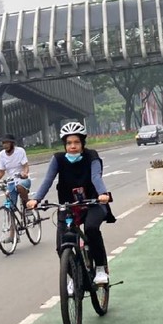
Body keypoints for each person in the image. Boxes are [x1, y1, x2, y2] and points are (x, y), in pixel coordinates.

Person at [26, 122, 116, 285]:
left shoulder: (91, 156)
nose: (72, 146)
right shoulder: (58, 159)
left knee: (91, 229)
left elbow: (96, 177)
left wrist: (103, 194)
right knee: (62, 245)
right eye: (69, 143)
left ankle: (101, 268)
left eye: (76, 142)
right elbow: (48, 180)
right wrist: (36, 199)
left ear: (82, 143)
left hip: (93, 203)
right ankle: (74, 277)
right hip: (68, 206)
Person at [0, 134, 31, 207]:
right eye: (3, 143)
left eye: (7, 143)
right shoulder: (1, 155)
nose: (5, 145)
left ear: (12, 143)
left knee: (19, 187)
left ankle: (27, 204)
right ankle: (11, 213)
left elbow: (25, 166)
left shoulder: (20, 151)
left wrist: (25, 173)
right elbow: (1, 172)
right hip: (11, 181)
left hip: (22, 179)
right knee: (10, 204)